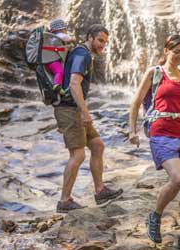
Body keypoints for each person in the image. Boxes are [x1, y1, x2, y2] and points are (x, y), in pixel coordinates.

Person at [128, 34, 180, 249]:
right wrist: (132, 130)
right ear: (166, 51)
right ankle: (155, 216)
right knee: (177, 179)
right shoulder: (154, 73)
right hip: (161, 133)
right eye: (176, 52)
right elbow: (135, 103)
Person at [54, 24, 123, 212]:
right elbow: (74, 84)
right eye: (100, 40)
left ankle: (100, 191)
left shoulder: (82, 53)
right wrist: (85, 113)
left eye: (105, 42)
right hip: (70, 109)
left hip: (72, 109)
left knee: (97, 145)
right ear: (90, 37)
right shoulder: (82, 54)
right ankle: (64, 201)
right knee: (78, 154)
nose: (103, 45)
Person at [45, 18, 77, 99]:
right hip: (54, 61)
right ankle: (57, 86)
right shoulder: (60, 36)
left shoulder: (50, 37)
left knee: (55, 73)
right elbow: (68, 38)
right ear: (62, 29)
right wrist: (73, 39)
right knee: (59, 72)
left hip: (47, 61)